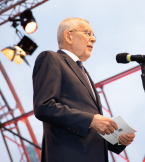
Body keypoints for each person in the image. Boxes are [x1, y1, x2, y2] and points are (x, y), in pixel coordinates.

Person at [32, 17, 135, 162]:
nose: (93, 39)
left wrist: (117, 139)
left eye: (94, 35)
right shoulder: (51, 58)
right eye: (88, 33)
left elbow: (89, 128)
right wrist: (91, 120)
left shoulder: (85, 73)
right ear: (68, 36)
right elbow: (44, 107)